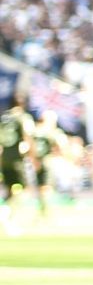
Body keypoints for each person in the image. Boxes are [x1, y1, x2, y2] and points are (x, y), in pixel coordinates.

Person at [0, 91, 35, 237]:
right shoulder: (22, 118)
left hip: (4, 159)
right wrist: (33, 157)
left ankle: (8, 218)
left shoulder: (3, 118)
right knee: (23, 189)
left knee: (10, 189)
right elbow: (28, 138)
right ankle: (6, 212)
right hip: (16, 160)